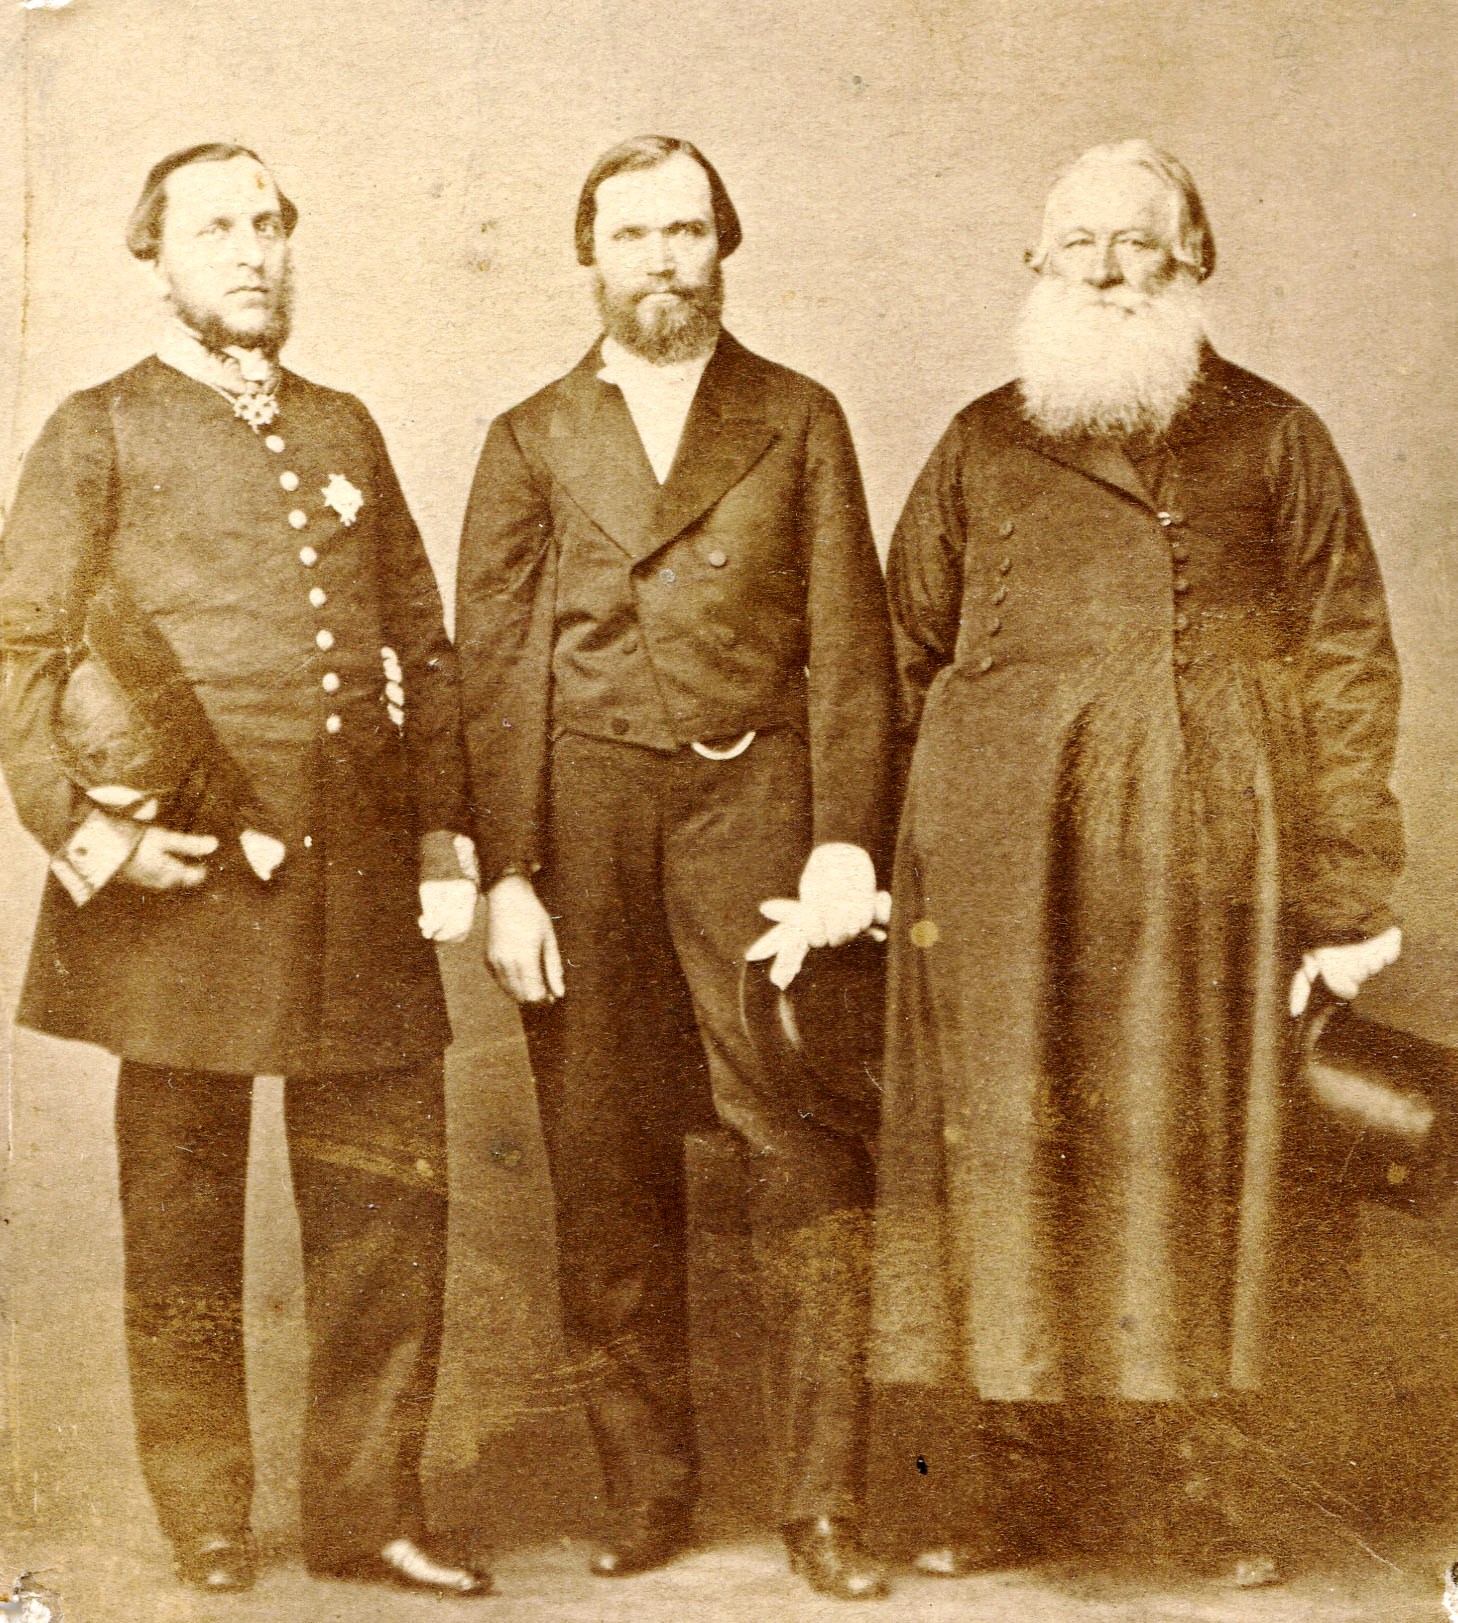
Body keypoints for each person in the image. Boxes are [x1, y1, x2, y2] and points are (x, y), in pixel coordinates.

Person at [871, 140, 1404, 1585]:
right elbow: (902, 649)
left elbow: (1347, 657)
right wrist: (906, 850)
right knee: (1010, 1158)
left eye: (1137, 242)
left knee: (1188, 1163)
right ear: (1036, 264)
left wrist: (1347, 892)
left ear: (1193, 258)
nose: (1108, 270)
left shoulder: (1275, 436)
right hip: (999, 873)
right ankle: (1009, 1486)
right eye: (1079, 244)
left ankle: (1198, 1494)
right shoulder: (979, 443)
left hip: (1200, 865)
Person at [0, 144, 491, 1598]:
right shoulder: (97, 428)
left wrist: (440, 836)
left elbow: (424, 647)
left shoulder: (344, 425)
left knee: (386, 1207)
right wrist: (94, 839)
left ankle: (369, 1513)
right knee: (181, 1216)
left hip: (354, 882)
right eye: (217, 227)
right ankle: (207, 1514)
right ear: (156, 257)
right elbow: (17, 650)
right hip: (185, 882)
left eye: (269, 225)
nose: (252, 252)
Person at [455, 135, 898, 1599]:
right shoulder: (530, 437)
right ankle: (647, 1489)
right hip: (584, 828)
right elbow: (497, 669)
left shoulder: (797, 416)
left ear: (724, 246)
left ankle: (823, 1502)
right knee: (603, 1157)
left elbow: (851, 645)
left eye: (687, 230)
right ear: (589, 257)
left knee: (806, 1147)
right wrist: (509, 873)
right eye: (633, 233)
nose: (662, 259)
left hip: (756, 811)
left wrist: (843, 841)